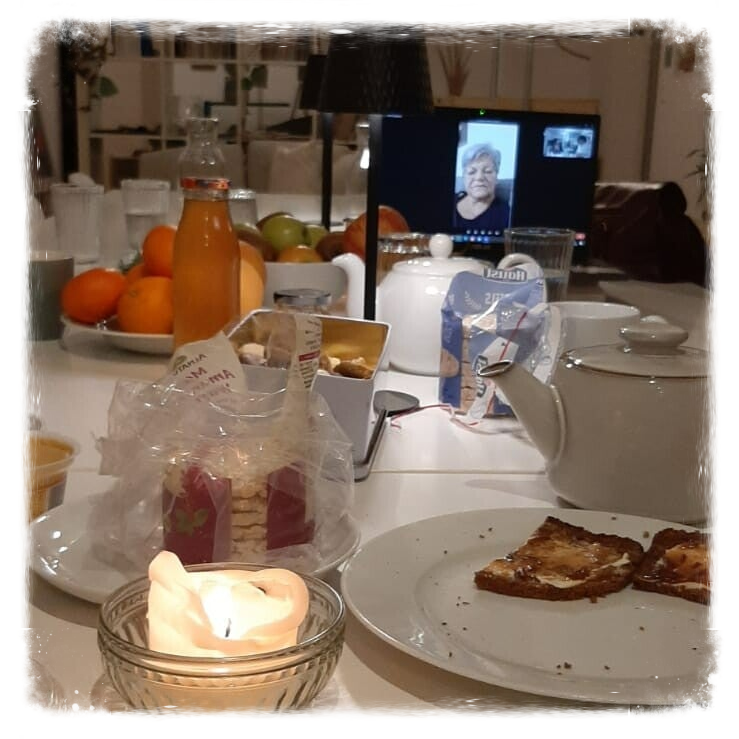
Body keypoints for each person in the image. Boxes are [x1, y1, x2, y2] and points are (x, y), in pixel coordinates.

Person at [453, 143, 511, 232]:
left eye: (487, 171)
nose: (479, 177)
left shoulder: (506, 214)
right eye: (471, 172)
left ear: (496, 177)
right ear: (464, 177)